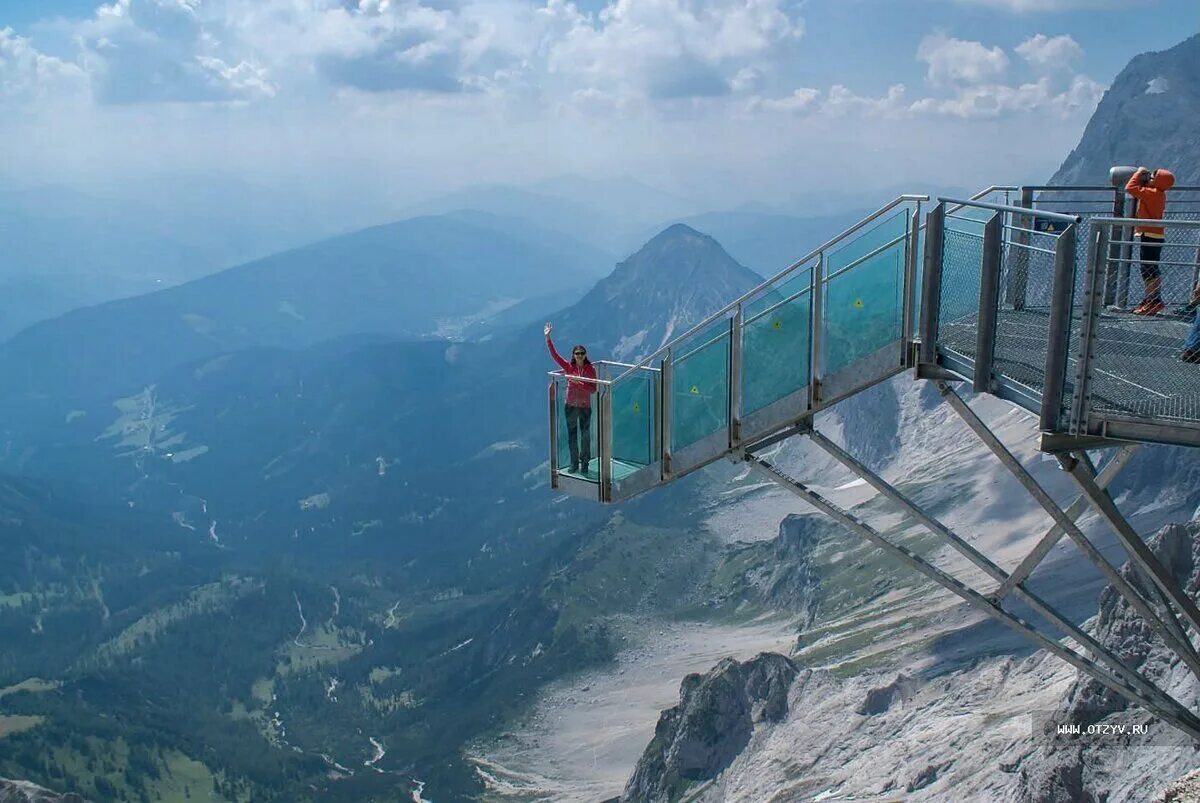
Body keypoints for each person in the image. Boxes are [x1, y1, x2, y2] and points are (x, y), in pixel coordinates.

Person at [545, 322, 598, 474]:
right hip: (570, 405)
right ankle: (574, 463)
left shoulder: (590, 369)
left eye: (582, 353)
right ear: (574, 355)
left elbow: (593, 389)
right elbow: (554, 355)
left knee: (585, 437)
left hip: (584, 406)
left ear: (585, 355)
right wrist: (548, 337)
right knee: (572, 436)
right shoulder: (569, 367)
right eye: (577, 353)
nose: (579, 355)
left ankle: (585, 463)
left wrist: (578, 383)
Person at [1124, 166, 1175, 316]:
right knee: (1150, 269)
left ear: (1158, 182)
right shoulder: (1158, 194)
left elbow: (1130, 188)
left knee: (1149, 271)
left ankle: (1153, 300)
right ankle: (1152, 299)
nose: (1149, 180)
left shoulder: (1152, 194)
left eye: (1152, 178)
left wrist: (1139, 172)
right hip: (1154, 235)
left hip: (1150, 235)